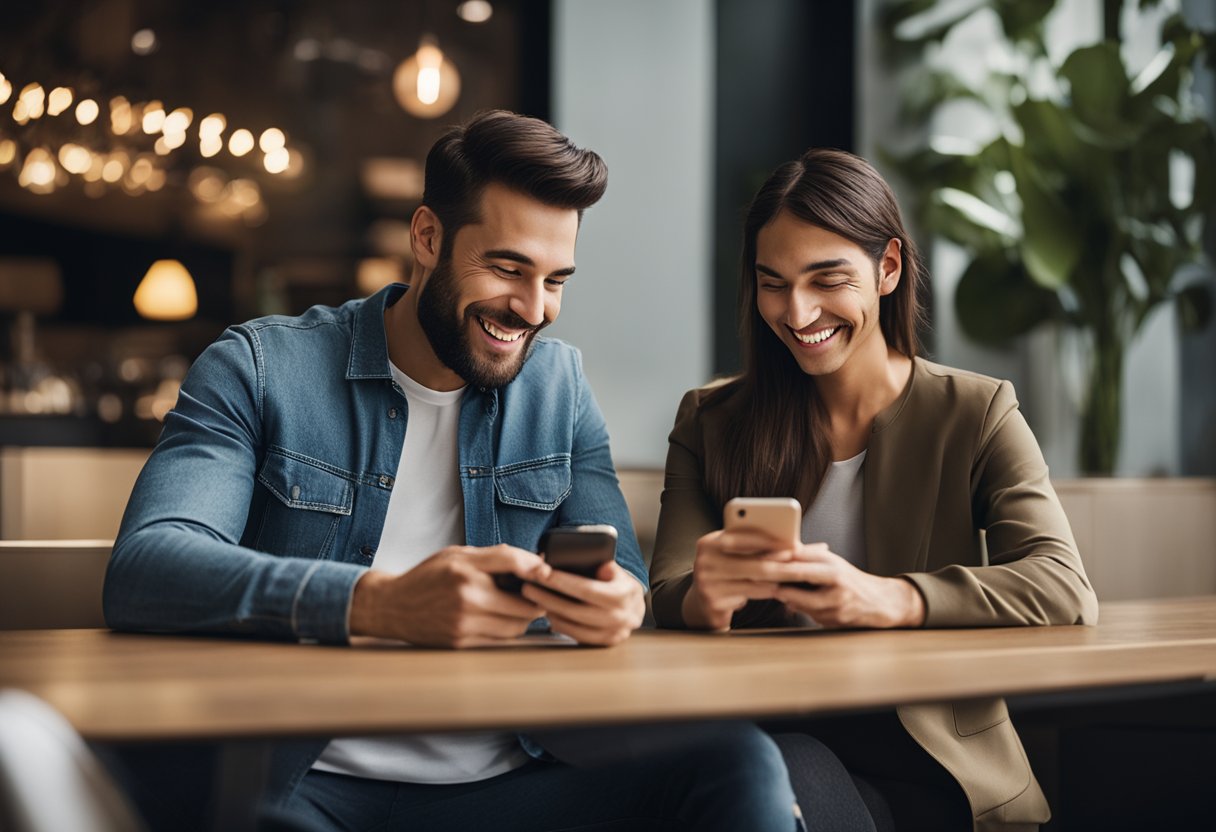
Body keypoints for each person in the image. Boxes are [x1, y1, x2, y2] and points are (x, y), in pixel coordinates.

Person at [103, 110, 799, 832]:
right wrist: (380, 604)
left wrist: (616, 602)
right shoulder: (259, 367)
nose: (533, 309)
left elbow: (622, 574)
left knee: (736, 760)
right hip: (304, 785)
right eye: (506, 268)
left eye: (555, 278)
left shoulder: (559, 389)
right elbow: (149, 568)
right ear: (428, 237)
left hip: (508, 782)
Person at [649, 147, 1099, 832]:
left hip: (939, 766)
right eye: (773, 283)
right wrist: (701, 596)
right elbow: (669, 590)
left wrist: (889, 598)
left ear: (888, 267)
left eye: (826, 279)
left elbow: (1062, 586)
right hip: (773, 750)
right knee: (774, 769)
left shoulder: (974, 412)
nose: (797, 312)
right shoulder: (711, 422)